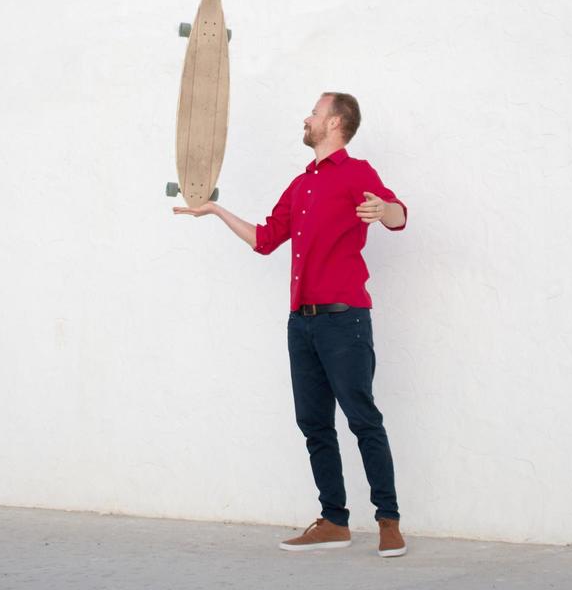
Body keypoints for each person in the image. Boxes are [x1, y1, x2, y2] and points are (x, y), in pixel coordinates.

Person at [173, 92, 409, 557]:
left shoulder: (356, 172)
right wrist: (217, 210)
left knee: (363, 419)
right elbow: (264, 239)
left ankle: (388, 520)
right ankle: (334, 521)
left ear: (336, 122)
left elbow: (398, 214)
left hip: (345, 321)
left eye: (315, 112)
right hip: (301, 325)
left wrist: (384, 211)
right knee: (314, 423)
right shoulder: (301, 185)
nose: (307, 117)